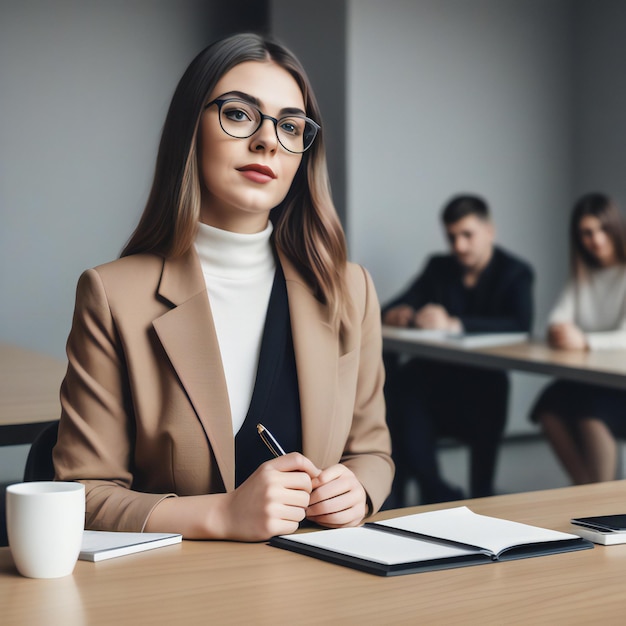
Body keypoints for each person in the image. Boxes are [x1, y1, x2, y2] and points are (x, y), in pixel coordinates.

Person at [53, 33, 393, 542]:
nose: (267, 141)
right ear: (191, 128)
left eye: (290, 126)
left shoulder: (349, 288)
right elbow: (84, 493)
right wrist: (222, 515)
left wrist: (357, 489)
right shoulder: (112, 295)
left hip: (320, 589)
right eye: (239, 114)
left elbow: (372, 452)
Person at [382, 195, 533, 505]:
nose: (459, 246)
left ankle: (437, 492)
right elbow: (396, 304)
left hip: (482, 390)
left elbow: (520, 324)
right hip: (437, 386)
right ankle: (434, 489)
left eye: (468, 235)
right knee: (402, 390)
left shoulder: (516, 272)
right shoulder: (439, 267)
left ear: (489, 231)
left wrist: (454, 324)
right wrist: (406, 314)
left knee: (405, 396)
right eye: (452, 237)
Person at [531, 192, 626, 485]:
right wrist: (562, 332)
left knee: (590, 409)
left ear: (615, 228)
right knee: (549, 404)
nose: (595, 239)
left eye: (601, 229)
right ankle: (587, 491)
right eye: (586, 233)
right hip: (592, 378)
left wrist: (584, 341)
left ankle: (598, 498)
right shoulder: (581, 274)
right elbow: (556, 321)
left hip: (618, 383)